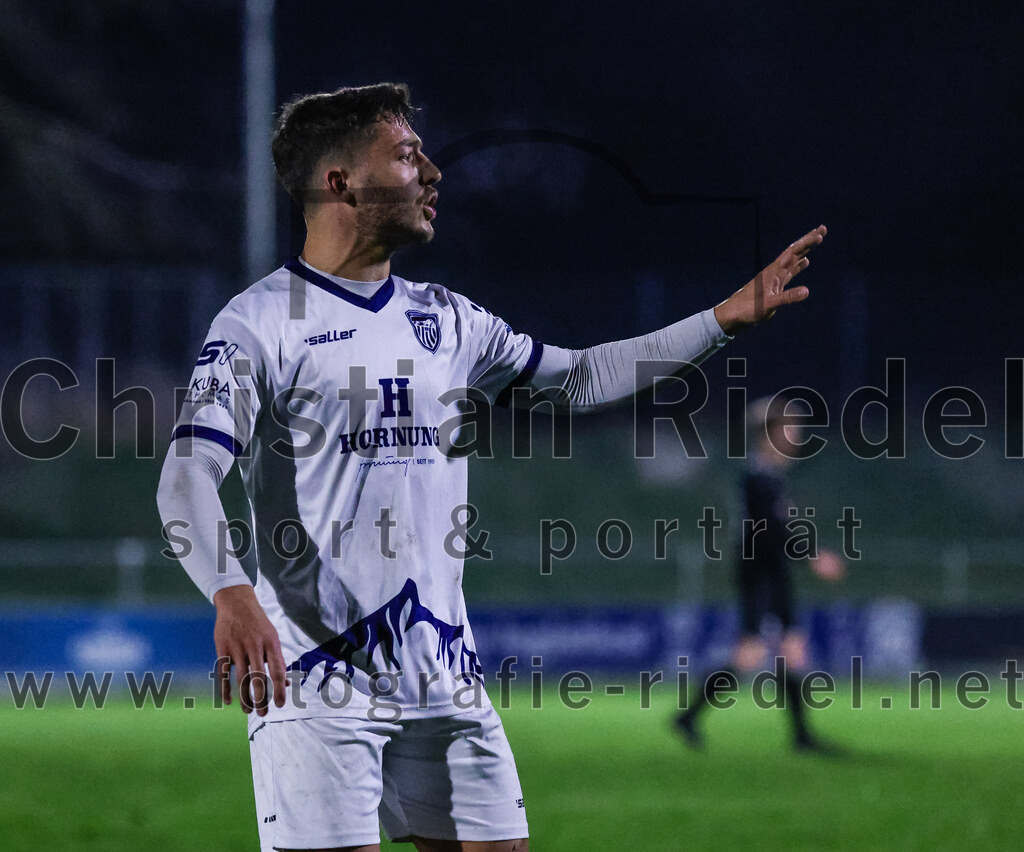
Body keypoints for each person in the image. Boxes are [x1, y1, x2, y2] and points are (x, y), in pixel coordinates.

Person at [156, 82, 827, 851]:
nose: (433, 171)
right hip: (317, 673)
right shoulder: (259, 321)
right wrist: (230, 591)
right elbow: (186, 473)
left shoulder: (447, 318)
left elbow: (577, 377)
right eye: (407, 155)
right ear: (340, 181)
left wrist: (719, 320)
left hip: (444, 667)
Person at [675, 396, 845, 752]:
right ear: (771, 435)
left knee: (793, 651)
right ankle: (688, 717)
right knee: (751, 653)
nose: (797, 438)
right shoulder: (757, 478)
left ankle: (801, 736)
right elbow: (768, 534)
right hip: (759, 573)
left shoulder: (771, 478)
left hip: (775, 572)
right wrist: (814, 557)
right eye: (791, 430)